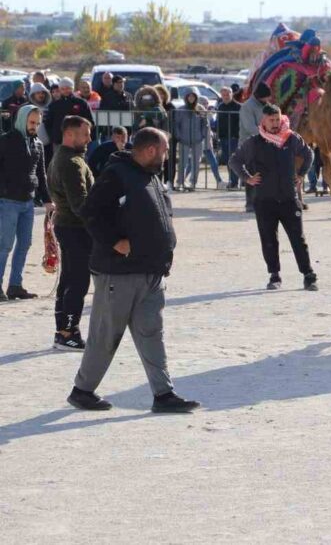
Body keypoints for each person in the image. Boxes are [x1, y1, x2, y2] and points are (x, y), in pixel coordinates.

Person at [68, 127, 201, 412]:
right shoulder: (117, 175)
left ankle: (163, 395)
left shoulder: (151, 177)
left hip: (152, 273)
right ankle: (82, 390)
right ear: (151, 150)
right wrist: (115, 241)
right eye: (165, 151)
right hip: (119, 274)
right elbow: (90, 212)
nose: (166, 157)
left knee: (152, 334)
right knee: (105, 337)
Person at [229, 104, 318, 291]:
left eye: (278, 119)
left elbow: (308, 154)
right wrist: (247, 178)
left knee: (298, 239)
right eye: (272, 120)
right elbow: (234, 161)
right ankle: (274, 275)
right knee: (269, 239)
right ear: (264, 121)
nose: (276, 123)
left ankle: (308, 275)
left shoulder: (291, 138)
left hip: (288, 198)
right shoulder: (254, 142)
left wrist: (301, 174)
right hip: (264, 200)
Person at [47, 115, 95, 350]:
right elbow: (81, 204)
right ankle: (68, 332)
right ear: (70, 134)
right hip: (76, 229)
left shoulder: (61, 157)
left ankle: (63, 330)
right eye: (85, 134)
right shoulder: (71, 162)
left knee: (68, 280)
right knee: (77, 282)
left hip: (67, 226)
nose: (89, 138)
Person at [0, 105, 53, 301]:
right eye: (32, 123)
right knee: (4, 245)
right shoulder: (6, 140)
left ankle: (15, 285)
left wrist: (47, 200)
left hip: (28, 202)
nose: (35, 127)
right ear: (22, 119)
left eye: (38, 124)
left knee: (24, 244)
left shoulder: (38, 144)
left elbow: (41, 174)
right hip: (7, 201)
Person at [43, 78, 94, 166]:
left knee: (79, 164)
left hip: (78, 141)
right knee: (59, 165)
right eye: (63, 88)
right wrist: (53, 137)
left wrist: (85, 136)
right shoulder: (54, 105)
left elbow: (89, 122)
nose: (66, 90)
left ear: (72, 88)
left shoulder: (81, 103)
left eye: (68, 88)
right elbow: (48, 123)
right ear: (60, 89)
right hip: (59, 142)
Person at [237, 82, 271, 212]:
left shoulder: (267, 106)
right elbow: (249, 127)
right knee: (252, 175)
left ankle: (263, 202)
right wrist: (268, 134)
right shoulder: (247, 107)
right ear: (258, 96)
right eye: (266, 97)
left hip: (265, 146)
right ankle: (250, 203)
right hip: (249, 146)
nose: (268, 99)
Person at [173, 92, 205, 192]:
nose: (191, 98)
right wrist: (179, 136)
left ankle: (193, 183)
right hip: (184, 140)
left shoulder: (200, 109)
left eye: (193, 96)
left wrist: (202, 135)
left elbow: (205, 123)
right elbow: (176, 124)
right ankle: (180, 182)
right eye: (189, 96)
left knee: (196, 162)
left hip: (197, 140)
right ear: (186, 97)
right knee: (183, 162)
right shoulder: (180, 110)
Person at [216, 87, 241, 189]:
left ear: (231, 94)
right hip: (223, 137)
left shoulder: (238, 107)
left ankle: (235, 182)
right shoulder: (220, 107)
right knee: (228, 160)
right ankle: (232, 180)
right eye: (223, 95)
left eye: (227, 94)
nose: (225, 97)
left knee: (234, 160)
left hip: (234, 137)